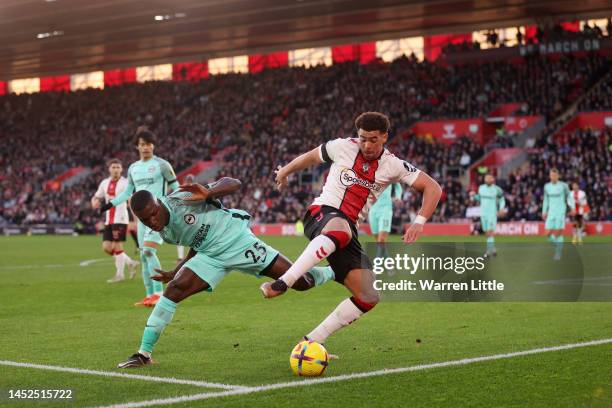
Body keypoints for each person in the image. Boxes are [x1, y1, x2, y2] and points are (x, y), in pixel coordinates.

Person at [261, 112, 441, 345]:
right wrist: (285, 170)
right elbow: (311, 157)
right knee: (340, 230)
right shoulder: (341, 147)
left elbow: (433, 187)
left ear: (385, 137)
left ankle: (311, 342)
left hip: (347, 231)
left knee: (369, 296)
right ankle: (283, 282)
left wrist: (419, 222)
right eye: (362, 138)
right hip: (322, 214)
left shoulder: (393, 165)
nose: (366, 144)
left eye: (373, 139)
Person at [116, 179, 334, 368]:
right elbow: (197, 242)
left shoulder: (181, 199)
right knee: (174, 290)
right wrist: (177, 270)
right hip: (211, 255)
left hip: (237, 241)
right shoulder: (163, 230)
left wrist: (209, 192)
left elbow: (235, 183)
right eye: (146, 220)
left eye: (154, 213)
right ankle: (143, 354)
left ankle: (335, 271)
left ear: (158, 202)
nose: (152, 221)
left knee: (301, 282)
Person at [100, 127, 179, 307]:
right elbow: (128, 191)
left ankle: (159, 294)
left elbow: (176, 187)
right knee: (144, 256)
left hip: (158, 215)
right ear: (137, 147)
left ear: (153, 146)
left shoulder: (162, 165)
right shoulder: (134, 168)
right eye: (142, 145)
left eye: (149, 144)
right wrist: (111, 203)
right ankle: (149, 295)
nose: (146, 148)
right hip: (142, 219)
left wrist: (177, 206)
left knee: (150, 251)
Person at [91, 159, 139, 283]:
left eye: (118, 167)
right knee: (106, 247)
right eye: (114, 167)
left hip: (121, 218)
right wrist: (94, 201)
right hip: (109, 219)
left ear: (121, 169)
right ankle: (130, 262)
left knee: (117, 245)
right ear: (109, 169)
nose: (116, 169)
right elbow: (97, 196)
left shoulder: (125, 183)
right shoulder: (104, 183)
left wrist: (135, 219)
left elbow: (131, 200)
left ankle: (120, 274)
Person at [542, 168, 574, 260]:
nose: (553, 177)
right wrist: (544, 211)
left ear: (558, 176)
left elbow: (570, 197)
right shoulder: (547, 186)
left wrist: (572, 208)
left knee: (558, 233)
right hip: (551, 212)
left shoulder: (564, 186)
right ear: (549, 176)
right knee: (547, 233)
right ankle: (558, 246)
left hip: (560, 212)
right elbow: (546, 200)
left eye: (555, 175)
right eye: (552, 175)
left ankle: (558, 253)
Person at [471, 173, 505, 257]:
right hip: (483, 214)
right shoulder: (481, 188)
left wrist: (501, 208)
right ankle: (493, 249)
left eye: (489, 178)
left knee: (490, 232)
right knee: (487, 233)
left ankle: (488, 252)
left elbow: (502, 199)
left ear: (492, 180)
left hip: (492, 214)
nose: (487, 180)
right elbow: (479, 198)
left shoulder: (497, 189)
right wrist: (473, 196)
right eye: (486, 178)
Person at [368, 182, 402, 259]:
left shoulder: (388, 171)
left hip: (385, 210)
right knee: (380, 242)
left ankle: (377, 266)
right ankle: (390, 266)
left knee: (381, 239)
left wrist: (398, 196)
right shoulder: (367, 172)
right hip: (372, 210)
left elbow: (397, 185)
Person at [176, 174, 196, 263]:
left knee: (181, 239)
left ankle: (181, 257)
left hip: (185, 217)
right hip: (191, 217)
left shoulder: (180, 190)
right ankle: (184, 257)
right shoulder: (196, 190)